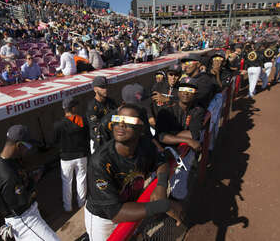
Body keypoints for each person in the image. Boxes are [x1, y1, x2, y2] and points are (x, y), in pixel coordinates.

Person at [85, 104, 183, 241]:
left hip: (130, 205)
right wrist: (163, 205)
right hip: (103, 218)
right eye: (118, 119)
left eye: (130, 121)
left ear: (141, 128)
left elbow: (162, 162)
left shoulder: (145, 144)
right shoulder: (100, 161)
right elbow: (115, 213)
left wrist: (161, 186)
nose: (121, 124)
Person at [0, 125, 60, 241]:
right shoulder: (8, 176)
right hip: (24, 220)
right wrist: (33, 181)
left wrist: (28, 176)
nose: (28, 149)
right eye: (27, 146)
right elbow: (21, 203)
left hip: (19, 217)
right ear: (18, 145)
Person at [52, 97, 90, 212]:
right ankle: (81, 203)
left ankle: (67, 207)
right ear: (73, 108)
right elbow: (87, 137)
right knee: (81, 180)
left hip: (66, 158)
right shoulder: (82, 120)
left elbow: (54, 141)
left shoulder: (57, 124)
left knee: (66, 183)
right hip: (81, 156)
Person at [86, 76, 117, 154]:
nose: (105, 89)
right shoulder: (92, 106)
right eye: (102, 87)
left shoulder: (111, 101)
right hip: (99, 142)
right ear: (95, 89)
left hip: (112, 139)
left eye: (106, 86)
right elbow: (96, 128)